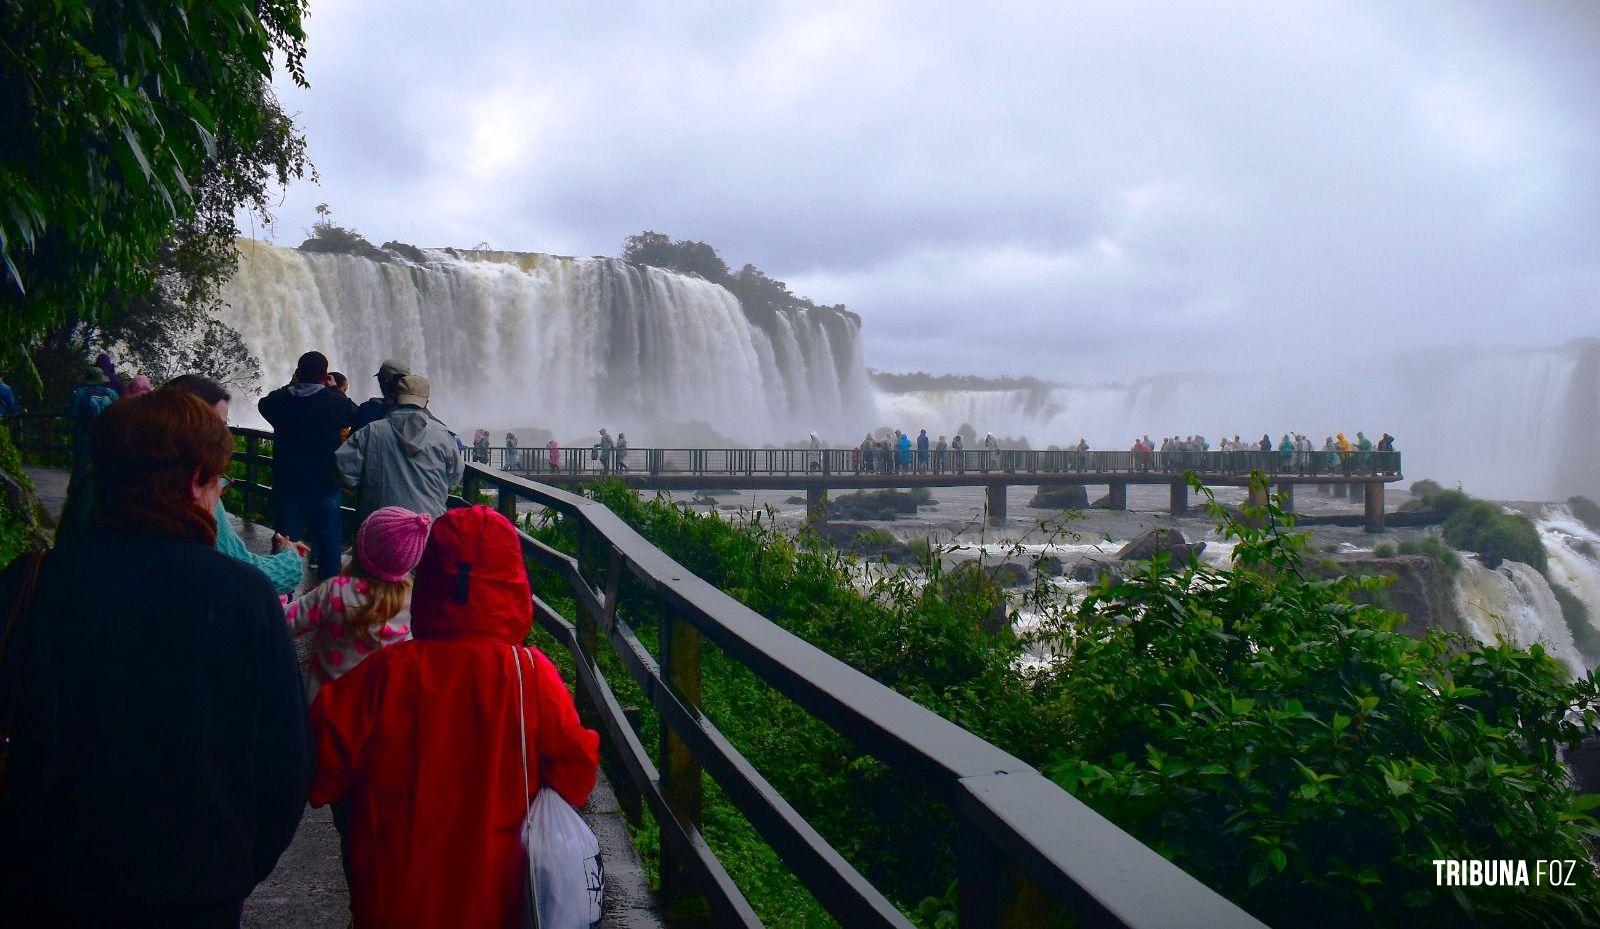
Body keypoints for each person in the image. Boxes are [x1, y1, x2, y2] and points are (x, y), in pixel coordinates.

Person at [0, 389, 311, 925]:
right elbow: (283, 763)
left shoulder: (30, 583)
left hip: (46, 879)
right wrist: (235, 868)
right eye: (218, 481)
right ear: (195, 481)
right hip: (194, 887)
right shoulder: (241, 597)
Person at [308, 506, 599, 929]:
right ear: (514, 582)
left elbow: (319, 761)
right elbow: (576, 773)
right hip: (498, 899)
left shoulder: (386, 672)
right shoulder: (531, 676)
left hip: (394, 898)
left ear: (429, 581)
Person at [166, 373, 307, 596]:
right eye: (218, 425)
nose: (225, 435)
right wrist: (288, 555)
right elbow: (245, 573)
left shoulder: (139, 484)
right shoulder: (200, 495)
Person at [285, 506, 430, 701]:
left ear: (362, 547)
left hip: (323, 711)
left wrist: (282, 573)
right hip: (370, 716)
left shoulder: (335, 591)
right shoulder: (412, 605)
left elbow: (283, 622)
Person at [259, 351, 356, 580]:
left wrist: (291, 384)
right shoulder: (333, 402)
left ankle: (283, 594)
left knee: (285, 539)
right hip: (324, 482)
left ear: (298, 373)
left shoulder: (281, 401)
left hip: (288, 481)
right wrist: (334, 390)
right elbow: (353, 413)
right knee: (329, 538)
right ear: (325, 375)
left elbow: (264, 404)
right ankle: (328, 594)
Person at [338, 374, 464, 522]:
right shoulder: (444, 436)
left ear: (395, 399)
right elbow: (454, 478)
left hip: (379, 525)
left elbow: (345, 473)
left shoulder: (370, 432)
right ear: (426, 403)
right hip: (428, 524)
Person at [66, 364, 119, 480]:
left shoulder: (79, 393)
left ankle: (76, 495)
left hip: (84, 436)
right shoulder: (111, 393)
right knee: (105, 469)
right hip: (107, 437)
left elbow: (72, 415)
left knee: (80, 468)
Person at [354, 358, 410, 430]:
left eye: (380, 379)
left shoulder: (368, 410)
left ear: (383, 383)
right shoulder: (421, 412)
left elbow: (354, 439)